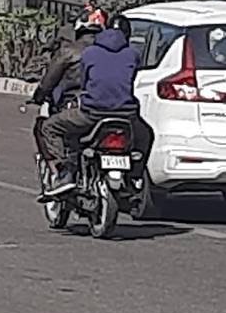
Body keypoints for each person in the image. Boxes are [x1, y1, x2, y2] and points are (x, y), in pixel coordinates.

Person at [38, 14, 155, 196]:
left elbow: (85, 83)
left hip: (92, 113)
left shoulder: (89, 53)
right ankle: (135, 175)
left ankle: (65, 173)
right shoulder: (133, 54)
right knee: (147, 135)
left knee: (49, 127)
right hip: (127, 115)